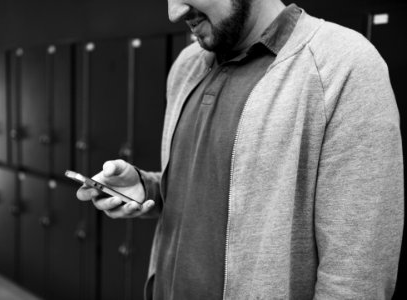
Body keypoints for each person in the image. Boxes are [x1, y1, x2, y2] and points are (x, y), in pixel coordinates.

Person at [77, 0, 404, 299]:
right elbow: (214, 193)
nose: (174, 12)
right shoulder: (187, 66)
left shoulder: (344, 64)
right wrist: (149, 188)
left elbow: (357, 274)